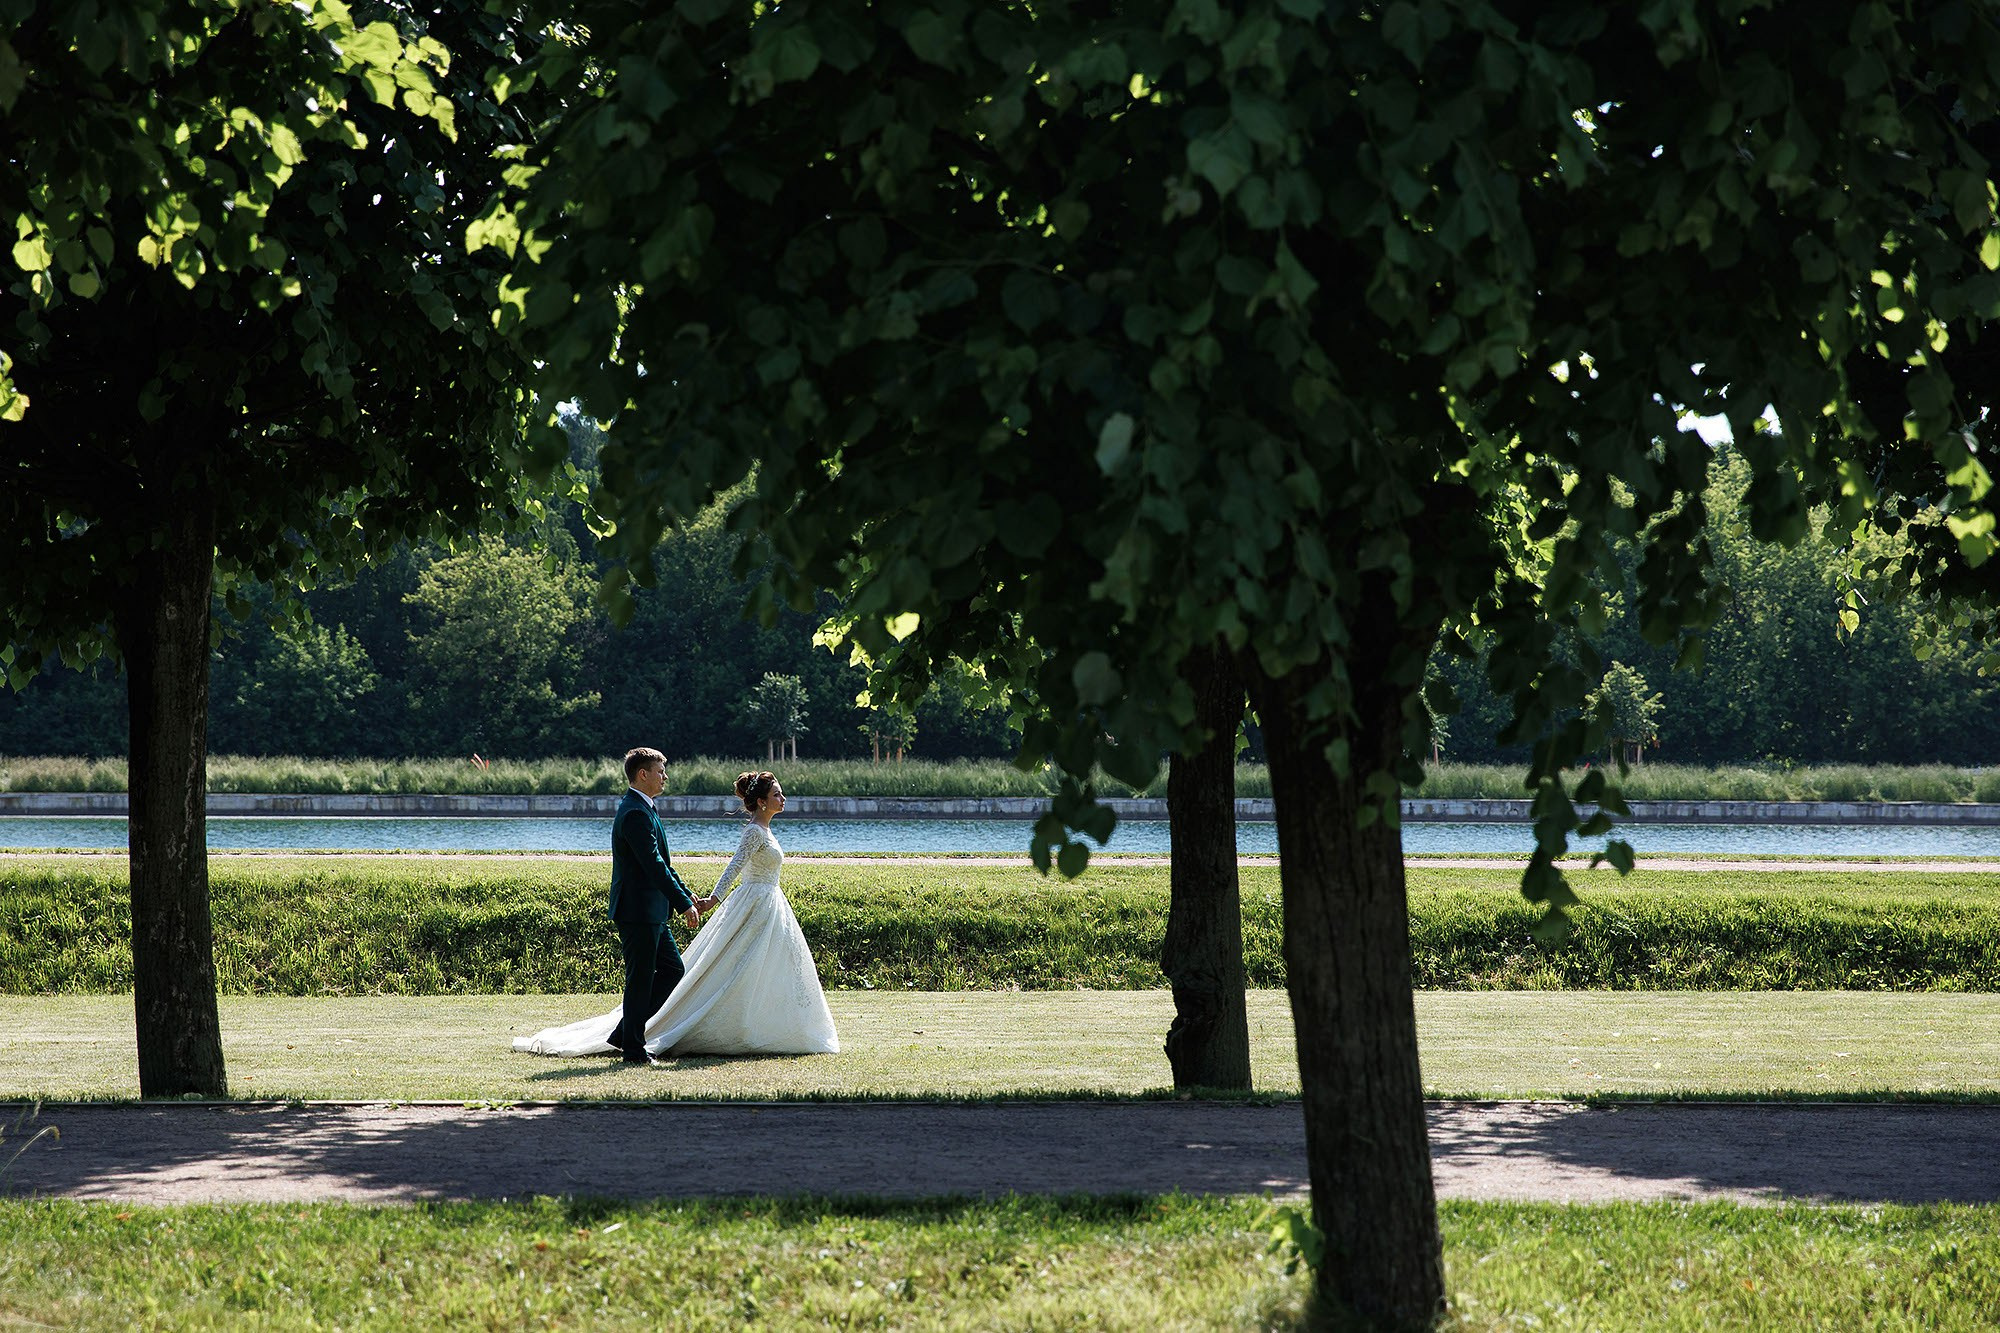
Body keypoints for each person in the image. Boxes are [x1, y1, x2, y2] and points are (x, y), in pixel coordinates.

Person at [513, 768, 839, 1059]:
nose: (783, 798)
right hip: (745, 903)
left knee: (755, 967)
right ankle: (633, 1039)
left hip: (770, 904)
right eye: (777, 794)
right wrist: (709, 899)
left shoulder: (763, 831)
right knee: (686, 971)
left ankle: (635, 1035)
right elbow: (732, 866)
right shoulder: (753, 832)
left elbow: (664, 864)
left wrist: (687, 897)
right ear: (763, 802)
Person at [600, 746, 699, 1066]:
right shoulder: (634, 812)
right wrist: (683, 904)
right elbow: (654, 865)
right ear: (643, 774)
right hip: (637, 911)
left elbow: (664, 866)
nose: (665, 776)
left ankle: (625, 1035)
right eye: (660, 771)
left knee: (672, 970)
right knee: (641, 980)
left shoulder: (644, 808)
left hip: (652, 911)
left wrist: (686, 896)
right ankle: (633, 1050)